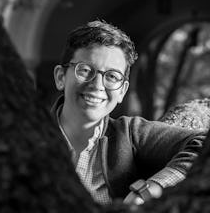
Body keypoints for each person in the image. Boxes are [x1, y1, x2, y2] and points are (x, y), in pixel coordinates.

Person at [51, 20, 206, 206]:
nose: (97, 85)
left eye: (112, 76)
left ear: (122, 91)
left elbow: (203, 145)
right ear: (61, 77)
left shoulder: (130, 133)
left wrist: (148, 190)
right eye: (85, 70)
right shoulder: (26, 135)